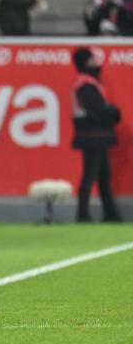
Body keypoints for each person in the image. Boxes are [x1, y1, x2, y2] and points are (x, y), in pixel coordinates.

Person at [71, 48, 122, 223]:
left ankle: (110, 214)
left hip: (95, 136)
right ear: (85, 62)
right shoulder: (85, 84)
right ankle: (83, 215)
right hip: (92, 136)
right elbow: (98, 110)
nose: (95, 62)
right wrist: (114, 113)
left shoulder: (88, 82)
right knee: (90, 176)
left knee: (102, 177)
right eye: (92, 59)